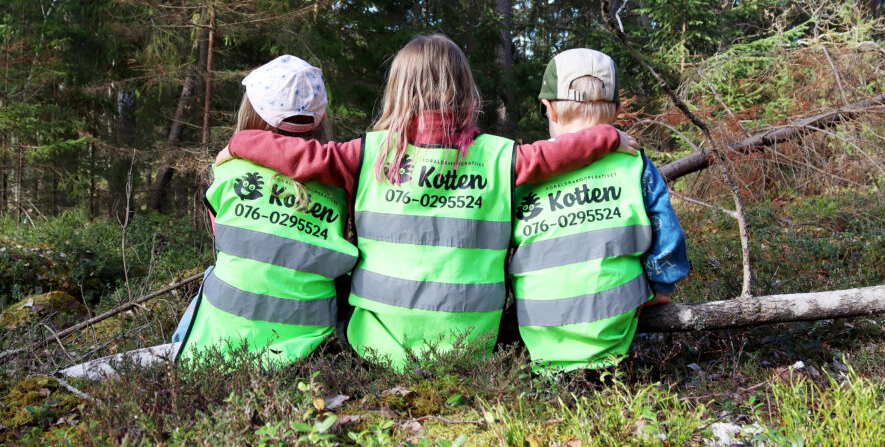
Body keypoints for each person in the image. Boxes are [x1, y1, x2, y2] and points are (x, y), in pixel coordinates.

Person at [217, 34, 639, 371]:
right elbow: (552, 156)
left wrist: (238, 143)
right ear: (465, 90)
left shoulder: (367, 154)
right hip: (471, 349)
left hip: (377, 350)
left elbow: (302, 156)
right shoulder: (499, 156)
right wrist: (608, 135)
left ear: (398, 92)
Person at [510, 48, 689, 373]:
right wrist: (662, 285)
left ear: (548, 108)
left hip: (538, 322)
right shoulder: (633, 164)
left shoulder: (527, 170)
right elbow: (665, 228)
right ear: (618, 111)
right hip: (615, 322)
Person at [173, 55, 358, 366]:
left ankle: (178, 354)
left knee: (215, 273)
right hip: (309, 345)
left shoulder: (228, 172)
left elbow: (229, 242)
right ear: (321, 118)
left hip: (219, 350)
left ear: (252, 112)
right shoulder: (341, 184)